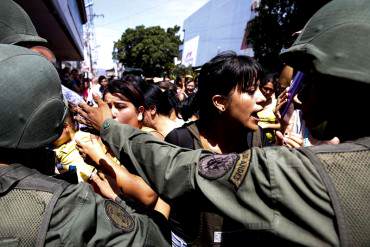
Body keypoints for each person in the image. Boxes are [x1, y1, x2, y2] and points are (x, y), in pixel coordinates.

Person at [77, 0, 370, 246]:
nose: (297, 97)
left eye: (312, 80)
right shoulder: (182, 139)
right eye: (249, 90)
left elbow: (173, 168)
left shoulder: (279, 154)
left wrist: (108, 130)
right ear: (219, 101)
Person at [0, 44, 170, 246]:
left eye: (120, 106)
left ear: (141, 111)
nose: (111, 113)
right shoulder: (98, 141)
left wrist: (102, 161)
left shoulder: (151, 140)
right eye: (108, 106)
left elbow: (149, 198)